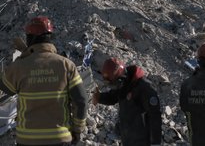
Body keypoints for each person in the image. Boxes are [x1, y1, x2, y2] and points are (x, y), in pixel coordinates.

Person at [0, 16, 88, 146]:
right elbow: (81, 101)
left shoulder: (19, 67)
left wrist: (22, 59)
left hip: (27, 140)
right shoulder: (66, 65)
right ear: (50, 37)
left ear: (29, 38)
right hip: (59, 139)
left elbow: (5, 87)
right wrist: (77, 130)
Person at [93, 58, 162, 146]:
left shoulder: (144, 89)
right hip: (128, 140)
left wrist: (155, 143)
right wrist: (99, 97)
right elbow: (113, 97)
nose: (115, 87)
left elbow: (155, 116)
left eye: (115, 84)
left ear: (121, 79)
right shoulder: (124, 85)